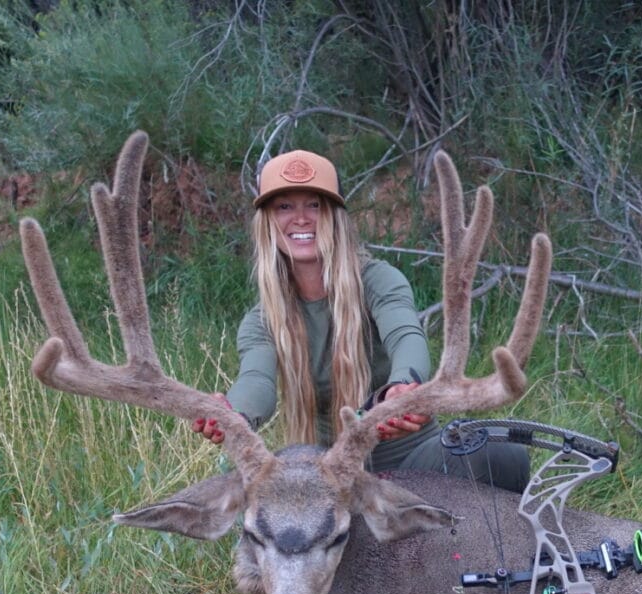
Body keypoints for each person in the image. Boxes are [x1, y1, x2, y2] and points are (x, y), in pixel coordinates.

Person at [192, 148, 531, 493]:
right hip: (334, 482)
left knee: (500, 451)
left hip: (417, 464)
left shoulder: (378, 280)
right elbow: (256, 379)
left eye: (314, 205)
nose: (301, 218)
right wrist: (235, 415)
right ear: (267, 222)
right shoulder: (261, 320)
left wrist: (402, 388)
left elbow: (406, 335)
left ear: (335, 216)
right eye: (284, 207)